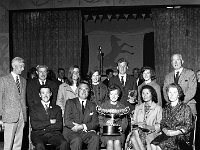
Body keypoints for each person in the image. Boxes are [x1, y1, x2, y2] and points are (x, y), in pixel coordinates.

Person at [151, 83, 193, 150]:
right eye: (170, 92)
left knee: (160, 146)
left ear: (178, 94)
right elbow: (163, 124)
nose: (172, 94)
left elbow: (189, 126)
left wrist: (175, 132)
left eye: (174, 92)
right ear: (167, 94)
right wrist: (165, 131)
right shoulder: (165, 108)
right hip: (167, 134)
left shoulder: (186, 108)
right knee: (153, 144)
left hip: (181, 137)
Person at [30, 85, 69, 150]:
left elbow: (59, 125)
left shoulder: (57, 108)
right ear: (40, 95)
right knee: (39, 145)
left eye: (47, 93)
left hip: (54, 134)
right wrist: (50, 122)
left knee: (64, 143)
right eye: (43, 93)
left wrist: (44, 127)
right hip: (38, 135)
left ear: (51, 94)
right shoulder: (34, 108)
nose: (45, 95)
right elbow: (34, 125)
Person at [63, 81, 99, 150]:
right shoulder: (70, 102)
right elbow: (67, 121)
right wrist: (76, 127)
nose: (84, 91)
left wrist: (82, 126)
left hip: (85, 131)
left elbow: (95, 123)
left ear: (89, 92)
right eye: (81, 89)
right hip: (71, 131)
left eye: (86, 89)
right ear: (77, 91)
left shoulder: (92, 105)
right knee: (77, 139)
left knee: (95, 137)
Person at [0, 57, 27, 150]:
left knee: (18, 144)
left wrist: (24, 115)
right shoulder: (3, 80)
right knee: (8, 145)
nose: (23, 69)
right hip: (9, 116)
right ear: (13, 66)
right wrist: (0, 117)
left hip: (21, 116)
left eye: (23, 66)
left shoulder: (24, 81)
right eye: (21, 66)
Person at [125, 85, 162, 150]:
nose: (145, 95)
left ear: (152, 94)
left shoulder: (158, 108)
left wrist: (148, 127)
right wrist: (138, 124)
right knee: (133, 138)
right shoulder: (138, 107)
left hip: (152, 133)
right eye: (143, 93)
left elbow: (160, 125)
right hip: (138, 132)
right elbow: (133, 122)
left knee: (146, 139)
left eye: (147, 93)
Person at [99, 85, 128, 150]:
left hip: (118, 132)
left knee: (117, 142)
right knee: (110, 142)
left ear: (118, 95)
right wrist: (106, 123)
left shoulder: (122, 106)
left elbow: (125, 121)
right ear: (109, 95)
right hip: (106, 132)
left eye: (116, 94)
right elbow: (100, 120)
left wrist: (122, 128)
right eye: (111, 94)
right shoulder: (103, 105)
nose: (113, 96)